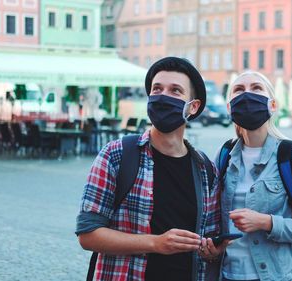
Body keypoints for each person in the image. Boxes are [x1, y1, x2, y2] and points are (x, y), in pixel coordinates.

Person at [76, 57, 229, 281]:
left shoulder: (206, 170)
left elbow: (210, 241)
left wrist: (213, 251)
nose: (163, 96)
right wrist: (156, 243)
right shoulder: (116, 155)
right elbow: (88, 234)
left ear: (193, 107)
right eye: (157, 89)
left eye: (175, 90)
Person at [215, 70, 292, 281]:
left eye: (257, 88)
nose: (247, 95)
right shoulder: (224, 155)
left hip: (279, 275)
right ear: (229, 107)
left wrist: (267, 222)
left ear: (272, 105)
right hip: (228, 275)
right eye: (239, 90)